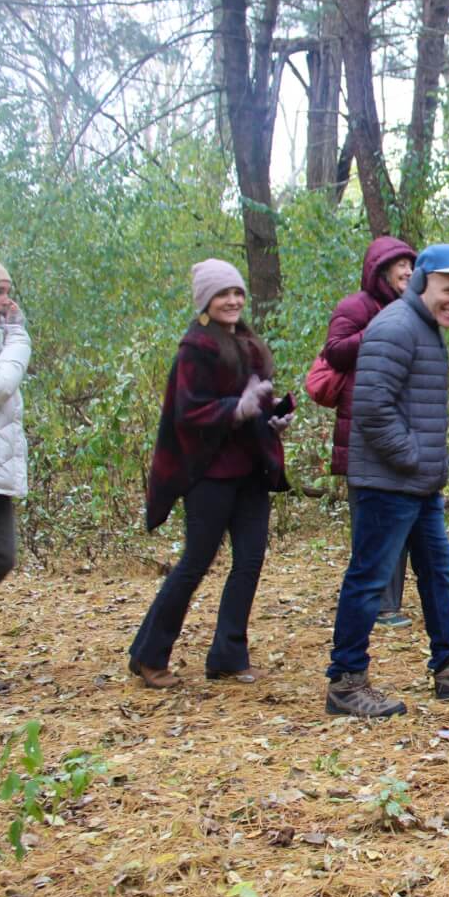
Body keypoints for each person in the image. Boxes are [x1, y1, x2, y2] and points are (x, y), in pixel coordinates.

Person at [325, 243, 449, 718]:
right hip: (388, 483)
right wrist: (411, 457)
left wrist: (423, 467)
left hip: (418, 482)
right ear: (422, 281)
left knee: (436, 572)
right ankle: (346, 682)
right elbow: (371, 408)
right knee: (369, 580)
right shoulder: (394, 328)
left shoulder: (425, 328)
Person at [131, 259, 292, 689]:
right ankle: (148, 655)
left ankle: (227, 655)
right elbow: (188, 411)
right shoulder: (195, 347)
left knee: (250, 560)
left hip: (251, 471)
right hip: (209, 473)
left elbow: (257, 399)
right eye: (224, 294)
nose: (233, 301)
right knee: (196, 562)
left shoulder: (249, 343)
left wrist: (272, 417)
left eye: (238, 293)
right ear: (206, 300)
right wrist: (235, 409)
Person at [322, 236, 417, 629]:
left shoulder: (412, 309)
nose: (409, 273)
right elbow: (335, 351)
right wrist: (381, 329)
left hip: (402, 426)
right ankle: (371, 604)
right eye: (401, 267)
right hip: (361, 429)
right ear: (380, 269)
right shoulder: (355, 307)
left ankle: (388, 604)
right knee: (370, 519)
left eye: (413, 267)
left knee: (401, 516)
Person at [0, 255, 30, 693]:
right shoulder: (1, 345)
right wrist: (18, 337)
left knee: (1, 558)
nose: (6, 300)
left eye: (7, 291)